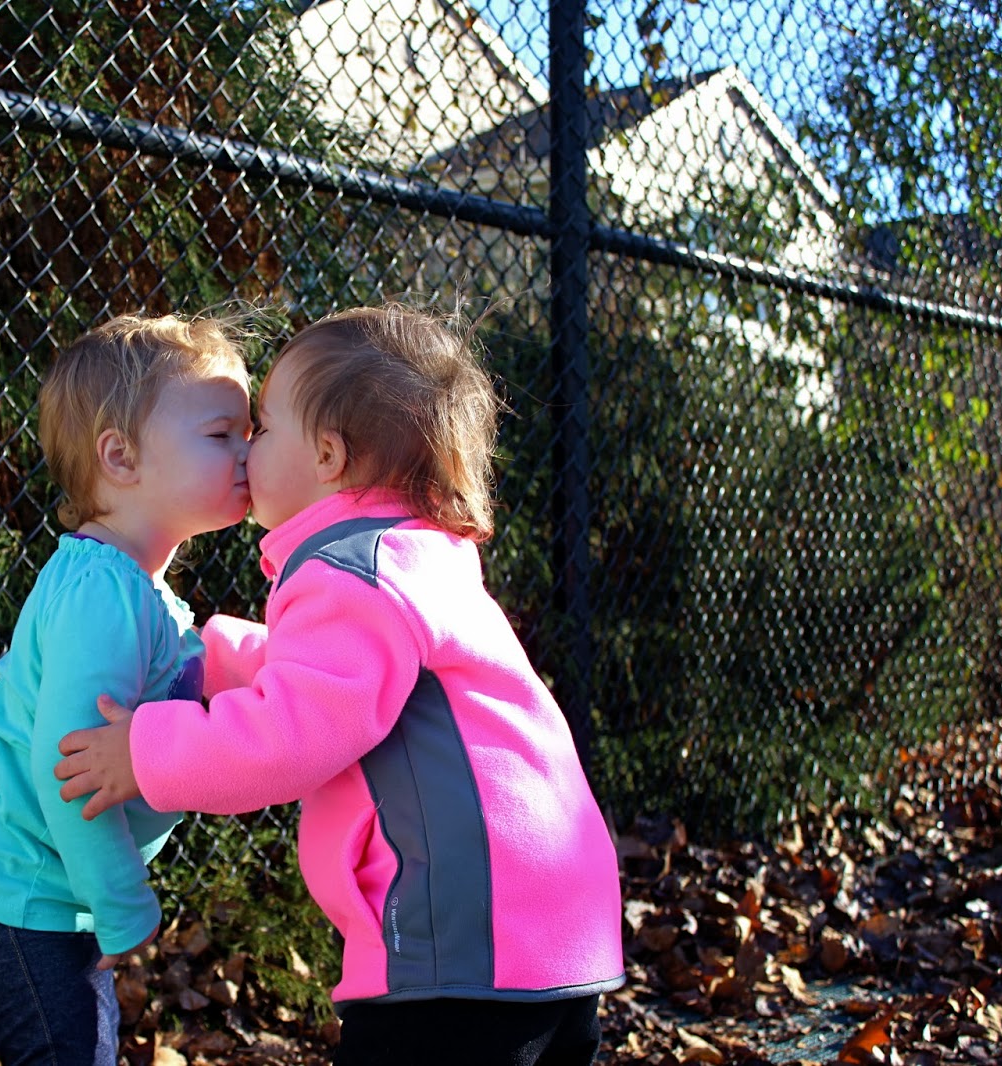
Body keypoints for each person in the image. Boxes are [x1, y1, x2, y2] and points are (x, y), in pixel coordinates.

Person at [54, 304, 625, 1066]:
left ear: (327, 455)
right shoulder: (412, 555)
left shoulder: (348, 571)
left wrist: (145, 753)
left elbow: (289, 736)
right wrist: (215, 654)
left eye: (263, 427)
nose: (247, 448)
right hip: (550, 929)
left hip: (459, 941)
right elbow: (338, 685)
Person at [0, 312, 253, 1066]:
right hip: (8, 886)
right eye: (221, 433)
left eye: (250, 431)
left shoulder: (139, 589)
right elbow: (70, 768)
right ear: (121, 457)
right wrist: (122, 902)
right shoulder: (102, 594)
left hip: (41, 891)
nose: (247, 451)